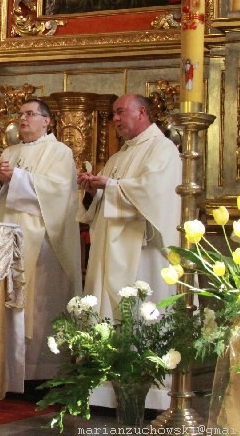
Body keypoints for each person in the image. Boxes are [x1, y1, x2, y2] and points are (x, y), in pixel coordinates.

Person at [0, 98, 82, 385]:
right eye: (20, 114)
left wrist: (18, 177)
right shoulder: (9, 152)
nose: (22, 119)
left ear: (47, 121)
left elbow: (58, 191)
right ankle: (4, 371)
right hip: (5, 240)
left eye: (30, 114)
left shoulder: (60, 152)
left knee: (36, 306)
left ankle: (38, 372)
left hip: (41, 242)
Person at [77, 94, 180, 320]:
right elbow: (105, 197)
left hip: (142, 247)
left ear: (141, 112)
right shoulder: (118, 157)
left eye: (120, 112)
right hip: (108, 247)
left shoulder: (162, 148)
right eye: (113, 113)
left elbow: (154, 192)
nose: (115, 118)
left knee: (139, 316)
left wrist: (110, 185)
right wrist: (93, 190)